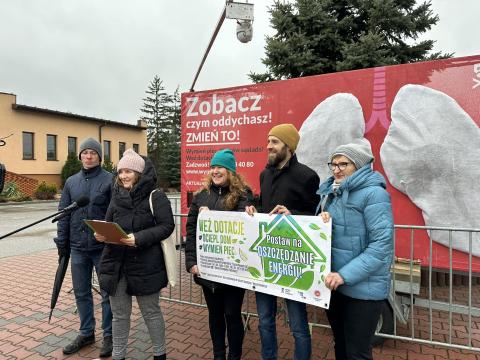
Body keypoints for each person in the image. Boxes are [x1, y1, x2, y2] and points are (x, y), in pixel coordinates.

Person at [245, 124, 320, 360]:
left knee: (298, 326)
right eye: (268, 141)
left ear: (289, 146)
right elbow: (265, 210)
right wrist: (253, 210)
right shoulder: (264, 174)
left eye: (275, 142)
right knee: (265, 321)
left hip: (293, 264)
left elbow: (317, 218)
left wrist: (293, 215)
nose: (269, 146)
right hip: (266, 260)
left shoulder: (308, 176)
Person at [317, 139, 394, 360]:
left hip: (362, 291)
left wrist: (344, 275)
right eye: (333, 164)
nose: (336, 170)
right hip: (336, 286)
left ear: (358, 166)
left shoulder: (374, 194)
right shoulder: (335, 193)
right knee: (340, 345)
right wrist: (323, 221)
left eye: (343, 164)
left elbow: (381, 246)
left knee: (357, 353)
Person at [95, 149, 174, 360]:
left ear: (138, 172)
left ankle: (160, 355)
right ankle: (118, 355)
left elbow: (167, 226)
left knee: (151, 312)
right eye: (120, 172)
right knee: (119, 316)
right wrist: (101, 234)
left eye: (128, 171)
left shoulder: (155, 196)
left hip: (145, 265)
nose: (123, 176)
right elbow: (108, 222)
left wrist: (138, 238)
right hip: (116, 264)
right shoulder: (116, 195)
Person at [185, 149, 254, 360]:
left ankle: (234, 356)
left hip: (233, 271)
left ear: (230, 170)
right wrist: (191, 262)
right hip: (207, 269)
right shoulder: (201, 196)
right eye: (213, 167)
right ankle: (218, 355)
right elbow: (191, 230)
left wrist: (249, 215)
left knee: (232, 314)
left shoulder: (243, 194)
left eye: (220, 167)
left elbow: (243, 228)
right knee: (215, 315)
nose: (215, 171)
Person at [54, 137, 113, 357]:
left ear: (99, 156)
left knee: (107, 294)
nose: (89, 156)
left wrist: (108, 236)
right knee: (81, 292)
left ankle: (109, 335)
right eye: (85, 152)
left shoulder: (110, 180)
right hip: (77, 248)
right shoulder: (71, 182)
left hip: (102, 248)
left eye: (93, 153)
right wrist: (62, 243)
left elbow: (115, 214)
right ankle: (87, 332)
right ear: (80, 156)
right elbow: (63, 215)